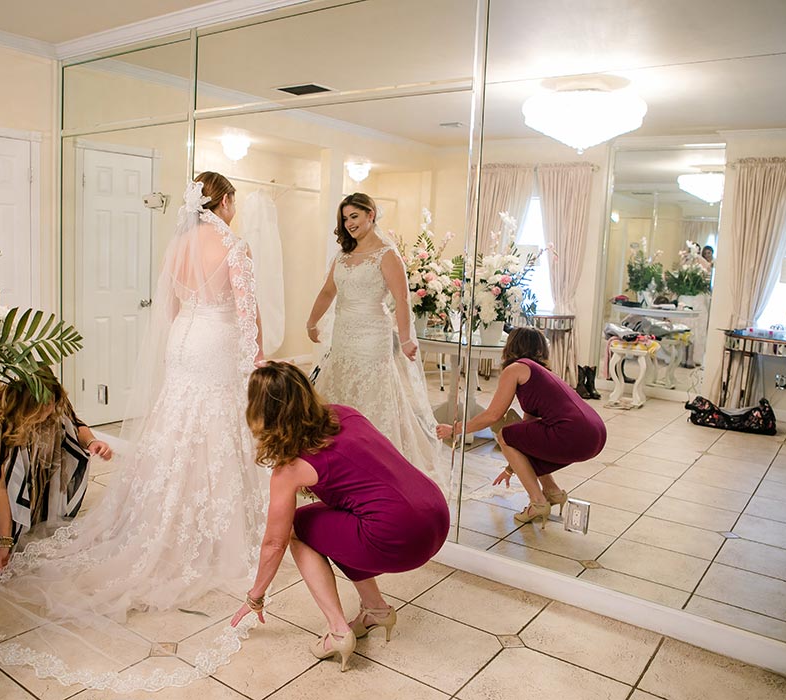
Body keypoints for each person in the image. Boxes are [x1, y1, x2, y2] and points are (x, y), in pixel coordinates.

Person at [0, 172, 269, 694]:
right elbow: (247, 312)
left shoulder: (181, 244)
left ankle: (165, 509)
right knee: (213, 428)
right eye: (233, 201)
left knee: (180, 424)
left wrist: (184, 342)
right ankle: (211, 523)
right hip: (216, 341)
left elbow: (167, 312)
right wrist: (255, 358)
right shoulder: (234, 244)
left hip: (185, 343)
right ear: (226, 201)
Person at [232, 362, 449, 672]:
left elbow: (274, 543)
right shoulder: (344, 413)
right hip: (436, 512)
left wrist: (255, 597)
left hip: (402, 535)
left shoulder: (290, 468)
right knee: (341, 520)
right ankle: (376, 609)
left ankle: (338, 630)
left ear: (261, 412)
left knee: (298, 531)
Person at [306, 193, 449, 491]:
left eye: (354, 216)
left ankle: (376, 466)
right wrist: (311, 321)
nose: (349, 224)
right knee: (341, 395)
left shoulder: (387, 255)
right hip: (344, 335)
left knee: (372, 399)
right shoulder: (343, 256)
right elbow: (326, 292)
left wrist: (407, 338)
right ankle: (338, 462)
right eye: (345, 219)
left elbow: (401, 299)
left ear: (371, 215)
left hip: (373, 336)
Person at [0, 368, 112, 570]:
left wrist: (91, 442)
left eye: (51, 404)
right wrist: (3, 544)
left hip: (30, 467)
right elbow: (3, 485)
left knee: (39, 533)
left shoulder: (51, 395)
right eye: (40, 408)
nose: (49, 410)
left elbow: (76, 423)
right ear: (22, 405)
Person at [436, 327, 606, 527]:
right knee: (519, 434)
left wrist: (454, 429)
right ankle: (552, 492)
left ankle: (538, 502)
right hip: (596, 434)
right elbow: (528, 432)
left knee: (505, 434)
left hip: (575, 433)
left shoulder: (516, 369)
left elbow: (493, 415)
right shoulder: (541, 373)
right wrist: (511, 468)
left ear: (511, 346)